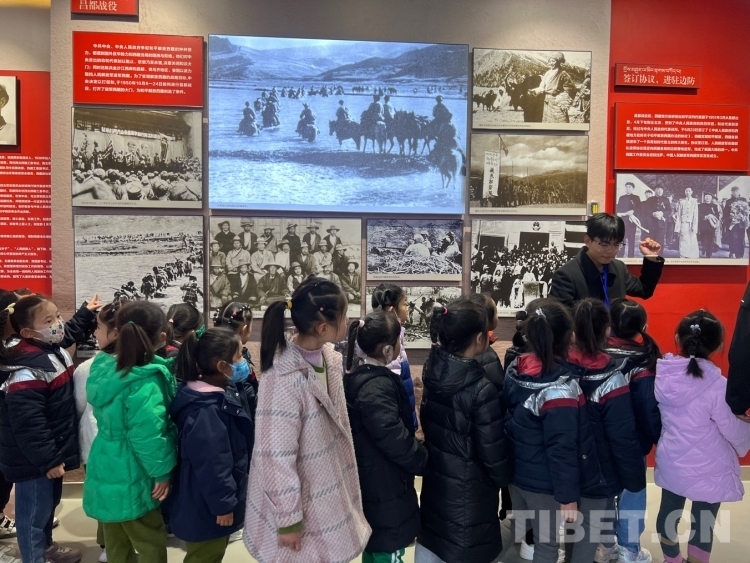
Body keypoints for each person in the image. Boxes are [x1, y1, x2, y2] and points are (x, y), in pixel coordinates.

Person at [244, 277, 371, 562]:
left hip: (325, 488)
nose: (349, 320)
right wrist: (288, 519)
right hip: (296, 505)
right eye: (344, 316)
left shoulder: (328, 358)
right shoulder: (282, 379)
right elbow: (274, 456)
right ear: (323, 328)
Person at [503, 298, 598, 563]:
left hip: (517, 472)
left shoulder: (516, 367)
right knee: (547, 545)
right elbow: (561, 447)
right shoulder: (561, 389)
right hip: (544, 483)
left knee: (517, 527)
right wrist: (567, 496)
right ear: (571, 337)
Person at [416, 297, 509, 563]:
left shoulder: (432, 369)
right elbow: (493, 453)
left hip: (437, 484)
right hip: (471, 495)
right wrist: (503, 479)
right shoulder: (481, 390)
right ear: (480, 338)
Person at [82, 301, 177, 563]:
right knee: (149, 539)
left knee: (115, 538)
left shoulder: (103, 368)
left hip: (105, 460)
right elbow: (147, 435)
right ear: (161, 337)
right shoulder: (144, 380)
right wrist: (161, 472)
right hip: (135, 469)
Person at [655, 310, 750, 563]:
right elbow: (733, 429)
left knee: (668, 516)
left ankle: (672, 560)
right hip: (711, 466)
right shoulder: (719, 386)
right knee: (703, 522)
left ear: (678, 338)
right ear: (719, 345)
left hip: (672, 460)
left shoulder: (662, 377)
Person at [0, 295, 83, 563]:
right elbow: (28, 423)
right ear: (27, 332)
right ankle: (33, 558)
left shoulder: (51, 350)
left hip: (51, 452)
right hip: (33, 460)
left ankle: (47, 548)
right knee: (33, 515)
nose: (58, 323)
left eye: (57, 316)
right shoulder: (26, 367)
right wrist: (48, 459)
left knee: (47, 507)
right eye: (49, 321)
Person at [564, 299, 646, 563]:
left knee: (579, 523)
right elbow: (623, 433)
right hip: (605, 461)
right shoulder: (612, 377)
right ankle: (621, 547)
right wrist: (634, 475)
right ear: (606, 330)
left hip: (568, 459)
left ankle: (605, 545)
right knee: (601, 512)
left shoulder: (558, 366)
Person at [345, 311, 428, 563]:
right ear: (388, 350)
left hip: (374, 478)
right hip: (383, 483)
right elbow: (392, 436)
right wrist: (421, 458)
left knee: (375, 548)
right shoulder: (375, 386)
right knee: (387, 549)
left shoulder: (362, 377)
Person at [166, 327, 255, 563]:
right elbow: (213, 464)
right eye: (238, 356)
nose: (243, 361)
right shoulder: (206, 412)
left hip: (208, 500)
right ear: (221, 366)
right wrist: (223, 505)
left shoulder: (212, 397)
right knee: (206, 555)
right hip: (206, 506)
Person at [604, 298, 662, 563]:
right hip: (633, 441)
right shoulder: (644, 361)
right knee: (633, 491)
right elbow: (649, 407)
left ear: (608, 325)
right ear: (643, 327)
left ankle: (605, 545)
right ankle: (629, 548)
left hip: (598, 438)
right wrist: (656, 437)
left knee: (603, 492)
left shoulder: (594, 355)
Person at [74, 301, 122, 563]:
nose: (94, 333)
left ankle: (108, 546)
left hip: (95, 444)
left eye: (99, 328)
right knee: (125, 495)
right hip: (122, 448)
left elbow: (80, 405)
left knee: (104, 497)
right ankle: (121, 545)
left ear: (114, 333)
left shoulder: (87, 369)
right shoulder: (146, 366)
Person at [549, 213, 664, 309]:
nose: (611, 250)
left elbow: (644, 290)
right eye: (604, 244)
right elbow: (562, 319)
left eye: (616, 245)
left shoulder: (618, 267)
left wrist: (651, 257)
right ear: (588, 241)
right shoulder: (566, 275)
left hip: (615, 330)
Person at [368, 284, 418, 430]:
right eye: (404, 303)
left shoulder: (391, 337)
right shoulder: (388, 346)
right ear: (392, 310)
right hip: (399, 423)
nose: (407, 307)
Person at [532, 52, 576, 123]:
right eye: (550, 61)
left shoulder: (563, 74)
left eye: (553, 61)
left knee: (561, 122)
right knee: (548, 123)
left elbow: (570, 89)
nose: (551, 63)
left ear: (558, 62)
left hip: (558, 103)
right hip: (547, 102)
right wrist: (537, 90)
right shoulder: (547, 73)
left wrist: (562, 100)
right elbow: (542, 86)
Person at [617, 182, 642, 259]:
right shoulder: (621, 198)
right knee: (622, 240)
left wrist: (633, 211)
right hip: (622, 222)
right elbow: (618, 209)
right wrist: (622, 214)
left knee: (631, 241)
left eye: (629, 187)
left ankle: (631, 258)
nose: (627, 188)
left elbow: (639, 209)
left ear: (633, 188)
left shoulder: (636, 198)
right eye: (626, 187)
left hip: (631, 223)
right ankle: (620, 257)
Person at [723, 186, 748, 259]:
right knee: (732, 238)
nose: (735, 193)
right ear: (731, 192)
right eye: (733, 191)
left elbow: (746, 211)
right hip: (732, 223)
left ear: (739, 191)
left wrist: (743, 217)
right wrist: (728, 220)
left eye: (736, 191)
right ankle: (732, 252)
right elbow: (725, 213)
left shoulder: (743, 200)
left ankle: (740, 254)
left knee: (741, 238)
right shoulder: (728, 201)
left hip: (741, 223)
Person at [675, 187, 699, 258]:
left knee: (692, 239)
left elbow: (695, 214)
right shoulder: (681, 201)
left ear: (692, 192)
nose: (688, 192)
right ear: (685, 192)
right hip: (684, 223)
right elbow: (679, 214)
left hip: (691, 223)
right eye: (686, 191)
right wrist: (678, 227)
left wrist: (694, 226)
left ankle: (692, 255)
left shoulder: (694, 201)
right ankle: (683, 254)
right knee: (683, 239)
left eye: (689, 191)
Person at [698, 192, 720, 258]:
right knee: (703, 239)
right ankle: (704, 248)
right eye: (706, 196)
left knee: (711, 240)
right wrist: (704, 217)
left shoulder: (714, 206)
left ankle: (709, 254)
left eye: (709, 197)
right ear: (704, 198)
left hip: (711, 226)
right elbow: (698, 215)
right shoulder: (700, 206)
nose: (707, 198)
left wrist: (712, 216)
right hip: (703, 225)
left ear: (711, 198)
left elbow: (717, 215)